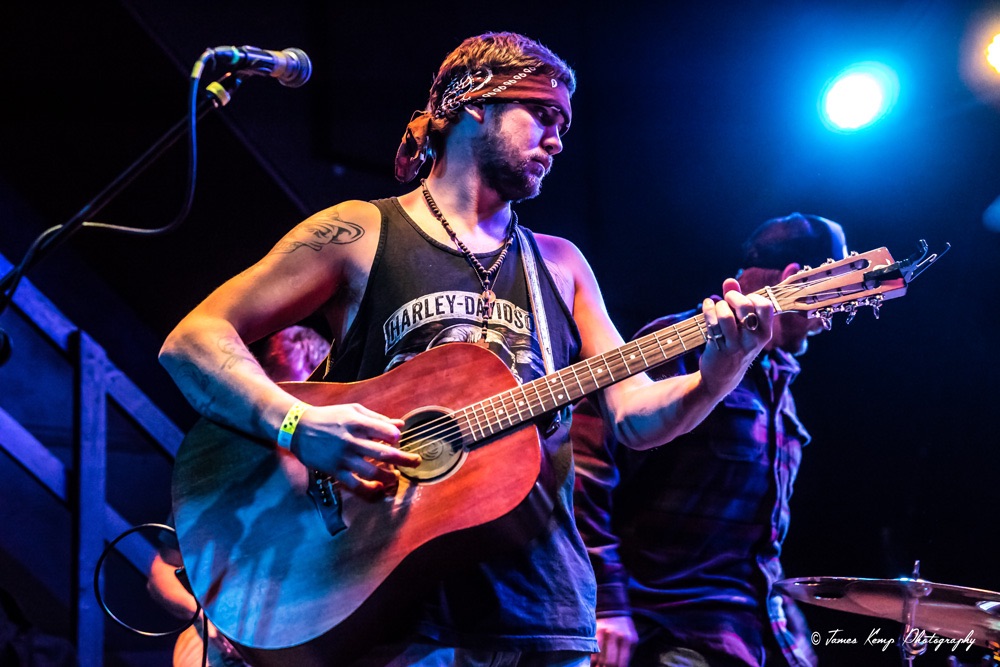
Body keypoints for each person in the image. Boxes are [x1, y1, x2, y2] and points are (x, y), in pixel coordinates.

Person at [158, 31, 774, 667]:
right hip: (395, 612)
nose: (559, 140)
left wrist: (718, 373)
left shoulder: (561, 266)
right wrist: (297, 422)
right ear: (474, 104)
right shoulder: (360, 233)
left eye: (564, 122)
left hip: (543, 613)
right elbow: (193, 341)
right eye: (543, 115)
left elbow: (634, 417)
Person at [572, 213, 850, 667]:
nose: (828, 319)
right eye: (833, 295)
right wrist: (606, 600)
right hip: (662, 628)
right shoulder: (681, 343)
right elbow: (583, 468)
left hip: (744, 632)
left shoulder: (780, 380)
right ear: (798, 278)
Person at [148, 326, 330, 667]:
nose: (291, 416)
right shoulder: (225, 471)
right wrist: (207, 621)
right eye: (282, 397)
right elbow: (163, 571)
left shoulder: (340, 469)